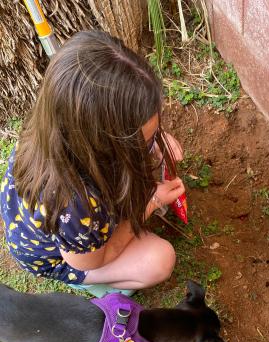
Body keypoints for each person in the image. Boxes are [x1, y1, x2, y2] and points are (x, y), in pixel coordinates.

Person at [0, 30, 185, 295]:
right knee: (159, 259)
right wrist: (151, 203)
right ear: (100, 140)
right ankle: (98, 284)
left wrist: (154, 140)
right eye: (140, 140)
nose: (151, 144)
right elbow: (94, 258)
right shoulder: (72, 202)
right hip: (66, 257)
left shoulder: (57, 131)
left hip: (74, 223)